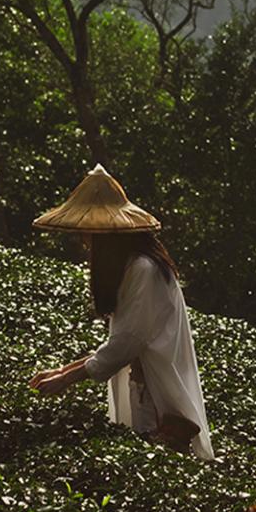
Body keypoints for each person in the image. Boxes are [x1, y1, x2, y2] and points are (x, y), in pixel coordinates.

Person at [27, 165, 215, 460]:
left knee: (159, 464)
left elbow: (128, 343)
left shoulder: (144, 270)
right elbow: (126, 340)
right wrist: (62, 371)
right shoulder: (133, 268)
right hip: (142, 389)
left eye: (89, 234)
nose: (85, 242)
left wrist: (66, 379)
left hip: (155, 398)